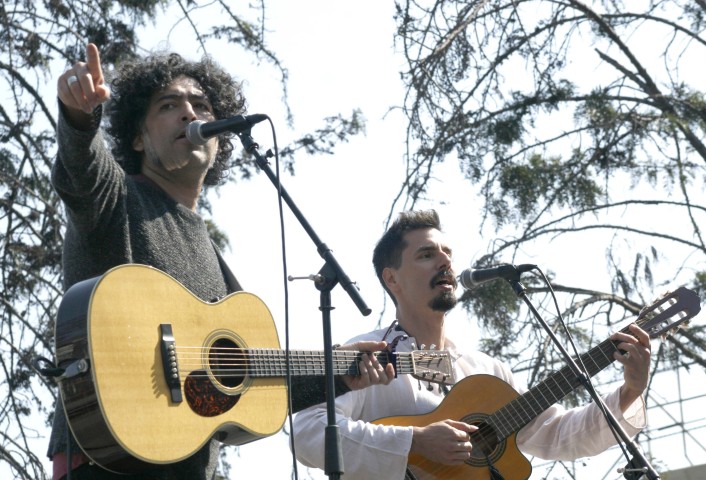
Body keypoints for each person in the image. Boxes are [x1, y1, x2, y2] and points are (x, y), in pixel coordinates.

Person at [48, 43, 393, 480]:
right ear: (138, 137)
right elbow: (82, 172)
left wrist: (340, 371)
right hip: (105, 460)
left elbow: (249, 390)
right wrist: (79, 117)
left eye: (201, 105)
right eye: (169, 106)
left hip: (191, 466)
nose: (190, 115)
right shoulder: (115, 198)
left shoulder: (211, 255)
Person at [292, 209, 651, 479]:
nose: (445, 261)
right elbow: (307, 431)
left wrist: (630, 391)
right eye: (426, 255)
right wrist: (413, 441)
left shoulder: (486, 370)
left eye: (447, 252)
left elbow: (555, 435)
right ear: (392, 278)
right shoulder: (365, 355)